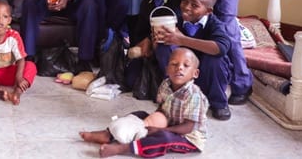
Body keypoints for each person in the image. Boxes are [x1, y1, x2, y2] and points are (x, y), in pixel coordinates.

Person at [79, 47, 208, 157]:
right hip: (169, 122)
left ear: (195, 73)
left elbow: (188, 127)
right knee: (140, 114)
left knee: (164, 138)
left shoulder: (194, 95)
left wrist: (161, 130)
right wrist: (152, 120)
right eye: (174, 64)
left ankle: (123, 148)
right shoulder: (165, 84)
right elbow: (162, 107)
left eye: (186, 65)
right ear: (167, 69)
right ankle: (108, 134)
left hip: (188, 136)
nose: (179, 68)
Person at [155, 0, 232, 120]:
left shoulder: (215, 24)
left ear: (208, 11)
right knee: (164, 48)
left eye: (194, 5)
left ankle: (219, 103)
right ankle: (173, 95)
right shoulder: (175, 20)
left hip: (206, 74)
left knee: (215, 59)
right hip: (184, 73)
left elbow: (221, 47)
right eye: (184, 1)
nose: (186, 7)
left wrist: (182, 40)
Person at [125, 0, 184, 90]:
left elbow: (179, 26)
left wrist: (152, 41)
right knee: (131, 80)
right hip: (151, 49)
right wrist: (145, 43)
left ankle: (173, 87)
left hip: (172, 47)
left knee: (164, 48)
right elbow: (140, 31)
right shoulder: (146, 4)